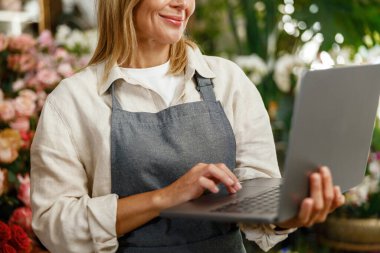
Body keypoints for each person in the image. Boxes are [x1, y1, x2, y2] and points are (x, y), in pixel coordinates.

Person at [30, 0, 345, 252]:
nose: (183, 4)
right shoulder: (73, 101)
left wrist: (289, 214)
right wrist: (164, 198)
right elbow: (53, 225)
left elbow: (256, 189)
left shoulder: (228, 81)